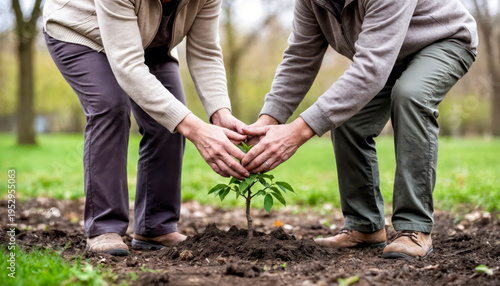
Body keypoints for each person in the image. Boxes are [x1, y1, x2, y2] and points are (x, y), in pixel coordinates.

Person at [242, 0, 477, 259]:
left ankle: (414, 227)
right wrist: (268, 120)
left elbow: (371, 68)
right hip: (388, 54)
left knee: (410, 95)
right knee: (345, 116)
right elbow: (300, 57)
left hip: (442, 40)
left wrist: (297, 133)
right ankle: (364, 227)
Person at [43, 0, 250, 256]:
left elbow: (205, 51)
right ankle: (104, 227)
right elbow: (128, 65)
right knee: (111, 107)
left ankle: (156, 226)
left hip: (148, 42)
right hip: (82, 33)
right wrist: (196, 129)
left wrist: (220, 112)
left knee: (170, 119)